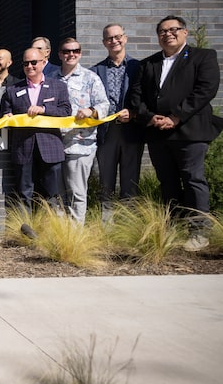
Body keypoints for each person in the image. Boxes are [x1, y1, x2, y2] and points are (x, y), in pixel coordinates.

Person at [126, 15, 221, 251]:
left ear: (185, 32)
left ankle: (199, 231)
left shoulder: (202, 57)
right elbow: (136, 97)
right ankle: (174, 228)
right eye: (163, 31)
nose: (168, 34)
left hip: (189, 131)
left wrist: (176, 116)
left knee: (193, 179)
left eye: (174, 29)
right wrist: (150, 117)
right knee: (167, 181)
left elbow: (205, 90)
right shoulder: (148, 63)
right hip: (158, 132)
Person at [0, 47, 71, 210]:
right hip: (23, 149)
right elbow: (4, 115)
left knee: (52, 195)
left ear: (44, 62)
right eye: (26, 63)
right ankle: (26, 233)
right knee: (24, 194)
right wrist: (7, 119)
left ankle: (50, 231)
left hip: (50, 149)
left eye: (33, 62)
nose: (29, 66)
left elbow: (66, 112)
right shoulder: (12, 90)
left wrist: (44, 109)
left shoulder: (58, 87)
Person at [46, 38, 109, 224]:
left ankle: (74, 238)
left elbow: (104, 104)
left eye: (75, 50)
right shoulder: (51, 80)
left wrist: (91, 111)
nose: (70, 54)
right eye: (66, 51)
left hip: (80, 144)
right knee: (57, 194)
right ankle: (60, 233)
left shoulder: (91, 78)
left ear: (80, 53)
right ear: (59, 54)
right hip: (54, 144)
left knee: (76, 192)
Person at [92, 23, 143, 220]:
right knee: (106, 179)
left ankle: (128, 223)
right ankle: (107, 223)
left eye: (117, 37)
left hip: (131, 130)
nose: (114, 41)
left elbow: (145, 98)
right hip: (106, 131)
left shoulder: (138, 67)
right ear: (104, 43)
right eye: (109, 38)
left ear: (125, 38)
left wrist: (134, 113)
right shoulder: (96, 71)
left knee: (130, 179)